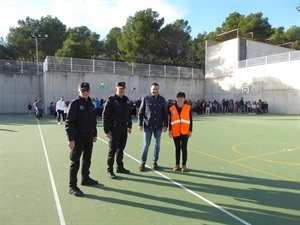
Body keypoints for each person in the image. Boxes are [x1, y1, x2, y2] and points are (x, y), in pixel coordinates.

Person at [65, 82, 98, 197]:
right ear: (78, 92)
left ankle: (85, 178)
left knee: (87, 159)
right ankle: (72, 186)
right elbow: (69, 122)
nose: (85, 92)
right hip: (77, 137)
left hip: (89, 136)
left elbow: (93, 121)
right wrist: (71, 139)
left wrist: (95, 134)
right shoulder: (75, 104)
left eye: (87, 90)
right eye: (82, 90)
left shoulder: (91, 104)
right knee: (75, 161)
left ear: (89, 91)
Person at [102, 81, 132, 179]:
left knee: (121, 149)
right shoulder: (110, 100)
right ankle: (109, 170)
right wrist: (106, 130)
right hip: (114, 129)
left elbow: (128, 114)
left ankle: (120, 167)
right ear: (116, 89)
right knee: (112, 150)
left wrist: (129, 125)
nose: (122, 90)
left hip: (123, 128)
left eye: (123, 89)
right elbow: (105, 116)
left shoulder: (126, 100)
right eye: (120, 88)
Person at [138, 83, 168, 171]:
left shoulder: (162, 100)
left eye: (156, 89)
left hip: (158, 126)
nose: (155, 91)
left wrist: (165, 125)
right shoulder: (146, 99)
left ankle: (155, 161)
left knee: (157, 145)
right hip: (148, 126)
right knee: (146, 145)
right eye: (153, 89)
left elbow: (165, 114)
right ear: (150, 90)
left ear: (159, 90)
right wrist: (140, 124)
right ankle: (142, 162)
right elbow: (141, 112)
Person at [168, 92, 193, 172]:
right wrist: (170, 130)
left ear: (184, 99)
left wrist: (190, 130)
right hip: (175, 131)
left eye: (182, 98)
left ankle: (184, 165)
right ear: (176, 99)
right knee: (177, 148)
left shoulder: (188, 107)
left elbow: (190, 119)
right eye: (178, 98)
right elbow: (170, 120)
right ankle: (177, 165)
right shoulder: (172, 108)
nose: (180, 99)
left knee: (184, 148)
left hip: (185, 131)